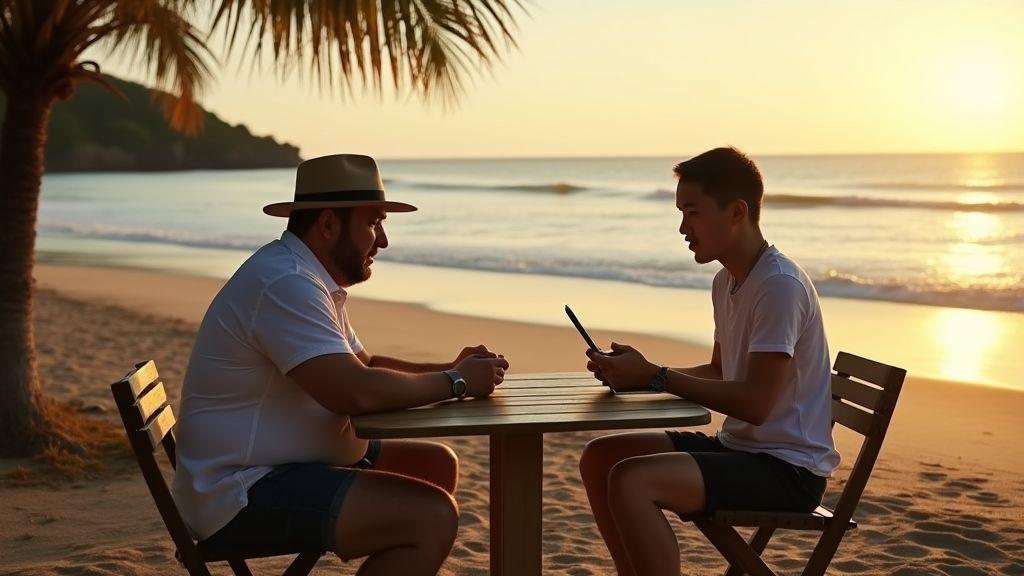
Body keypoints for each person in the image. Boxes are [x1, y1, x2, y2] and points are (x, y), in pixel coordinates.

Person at [171, 154, 509, 575]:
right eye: (373, 223)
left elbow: (365, 366)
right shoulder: (286, 282)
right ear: (329, 224)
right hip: (241, 491)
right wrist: (456, 382)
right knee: (432, 516)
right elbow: (354, 393)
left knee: (436, 465)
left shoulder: (305, 276)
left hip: (276, 466)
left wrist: (451, 367)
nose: (383, 240)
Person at [579, 147, 839, 576]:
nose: (683, 227)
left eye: (692, 212)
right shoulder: (728, 280)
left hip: (787, 470)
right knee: (600, 457)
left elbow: (755, 403)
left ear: (737, 212)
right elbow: (720, 373)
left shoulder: (778, 285)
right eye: (681, 213)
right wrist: (639, 378)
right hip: (742, 448)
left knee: (631, 480)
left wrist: (657, 376)